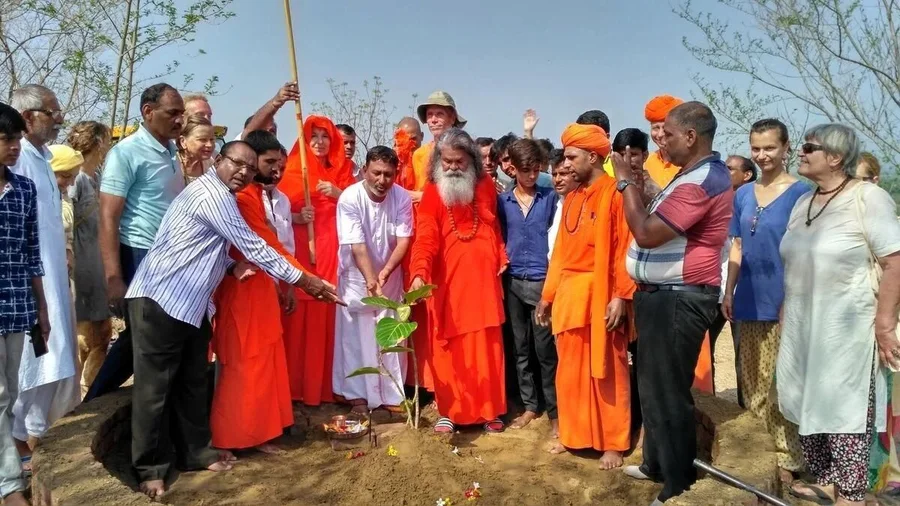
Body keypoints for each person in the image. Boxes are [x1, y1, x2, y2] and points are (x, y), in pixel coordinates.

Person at [126, 141, 342, 499]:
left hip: (191, 303)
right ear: (218, 161)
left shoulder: (225, 195)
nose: (243, 171)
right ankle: (150, 468)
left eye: (248, 167)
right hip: (161, 298)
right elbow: (254, 244)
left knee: (192, 383)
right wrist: (304, 280)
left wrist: (229, 265)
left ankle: (195, 452)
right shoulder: (213, 196)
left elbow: (199, 246)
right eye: (236, 163)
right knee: (154, 391)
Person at [616, 101, 733, 504]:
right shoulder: (689, 175)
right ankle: (656, 464)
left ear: (690, 136)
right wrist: (642, 183)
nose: (660, 137)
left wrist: (624, 183)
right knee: (651, 388)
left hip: (680, 299)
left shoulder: (704, 180)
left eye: (667, 131)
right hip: (660, 297)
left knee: (669, 394)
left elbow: (647, 233)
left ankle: (678, 485)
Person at [778, 124, 900, 506]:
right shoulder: (804, 202)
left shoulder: (868, 198)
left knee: (843, 405)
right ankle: (827, 480)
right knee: (806, 396)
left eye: (809, 147)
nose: (801, 152)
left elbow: (894, 261)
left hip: (847, 327)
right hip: (803, 322)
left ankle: (852, 493)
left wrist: (885, 323)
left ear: (835, 157)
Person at [535, 124, 634, 469]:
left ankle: (613, 442)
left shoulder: (616, 194)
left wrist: (621, 296)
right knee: (570, 371)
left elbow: (625, 249)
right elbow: (560, 252)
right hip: (569, 298)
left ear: (593, 157)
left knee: (608, 371)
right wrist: (547, 296)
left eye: (572, 156)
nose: (567, 163)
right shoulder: (572, 197)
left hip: (603, 295)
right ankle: (573, 435)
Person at [721, 119, 809, 485]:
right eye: (756, 148)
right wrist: (729, 291)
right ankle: (756, 454)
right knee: (751, 382)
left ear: (786, 148)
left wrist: (795, 301)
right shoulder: (743, 194)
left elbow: (805, 253)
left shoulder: (802, 193)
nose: (762, 155)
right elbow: (737, 246)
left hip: (784, 302)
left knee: (779, 384)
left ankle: (789, 457)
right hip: (748, 298)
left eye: (769, 148)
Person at [86, 83, 185, 401]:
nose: (179, 120)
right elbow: (108, 217)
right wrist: (114, 277)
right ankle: (96, 402)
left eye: (182, 114)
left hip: (168, 257)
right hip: (138, 253)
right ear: (148, 111)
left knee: (156, 337)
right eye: (172, 113)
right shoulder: (126, 153)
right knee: (144, 336)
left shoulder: (172, 151)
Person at [408, 128, 508, 433]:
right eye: (447, 161)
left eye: (459, 162)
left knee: (486, 346)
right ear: (438, 160)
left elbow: (494, 227)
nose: (452, 167)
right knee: (448, 348)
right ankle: (449, 412)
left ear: (473, 161)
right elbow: (425, 236)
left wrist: (501, 254)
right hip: (447, 281)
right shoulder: (432, 191)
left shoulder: (486, 185)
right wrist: (418, 273)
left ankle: (490, 411)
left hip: (483, 280)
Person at [210, 133, 297, 455]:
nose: (276, 170)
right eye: (269, 162)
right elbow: (267, 247)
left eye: (281, 164)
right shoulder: (242, 197)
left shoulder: (257, 195)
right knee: (241, 364)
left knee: (264, 362)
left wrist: (284, 285)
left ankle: (258, 434)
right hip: (241, 289)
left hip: (262, 288)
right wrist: (305, 281)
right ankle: (227, 438)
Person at [9, 85, 81, 468]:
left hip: (52, 275)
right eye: (52, 112)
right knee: (36, 361)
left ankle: (34, 439)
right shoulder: (15, 161)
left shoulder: (43, 158)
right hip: (27, 279)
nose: (59, 119)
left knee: (56, 360)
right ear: (27, 117)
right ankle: (20, 445)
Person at [279, 115, 356, 406]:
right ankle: (294, 388)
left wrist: (339, 194)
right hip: (302, 250)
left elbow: (363, 206)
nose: (320, 142)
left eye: (325, 137)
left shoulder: (344, 170)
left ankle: (323, 387)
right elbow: (275, 215)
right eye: (314, 137)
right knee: (299, 317)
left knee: (327, 317)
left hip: (332, 252)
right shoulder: (290, 170)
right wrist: (298, 217)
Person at [333, 146, 413, 411]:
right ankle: (356, 394)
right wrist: (370, 278)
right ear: (365, 171)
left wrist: (386, 271)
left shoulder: (400, 197)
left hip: (389, 276)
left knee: (390, 334)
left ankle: (392, 395)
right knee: (357, 336)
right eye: (376, 173)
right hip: (357, 278)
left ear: (395, 174)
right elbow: (357, 245)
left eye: (388, 175)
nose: (382, 180)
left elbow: (403, 241)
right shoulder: (349, 197)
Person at [0, 102, 48, 506]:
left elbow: (32, 254)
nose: (14, 146)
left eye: (17, 138)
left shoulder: (23, 190)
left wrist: (42, 310)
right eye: (5, 139)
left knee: (8, 393)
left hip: (15, 306)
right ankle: (11, 486)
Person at [497, 139, 559, 435]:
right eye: (526, 170)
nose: (532, 176)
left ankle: (555, 411)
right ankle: (530, 406)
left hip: (541, 281)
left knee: (545, 349)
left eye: (536, 169)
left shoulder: (550, 199)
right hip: (512, 281)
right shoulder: (503, 202)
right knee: (520, 348)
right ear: (514, 171)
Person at [65, 121, 113, 397]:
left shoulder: (97, 176)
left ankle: (91, 390)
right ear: (96, 143)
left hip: (98, 264)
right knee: (86, 337)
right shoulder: (78, 179)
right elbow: (67, 223)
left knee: (102, 333)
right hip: (83, 268)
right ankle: (79, 396)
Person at [412, 91, 467, 196]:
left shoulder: (466, 151)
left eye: (439, 114)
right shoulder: (419, 154)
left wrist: (424, 197)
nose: (433, 120)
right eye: (429, 114)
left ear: (452, 118)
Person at [644, 95, 685, 188]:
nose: (660, 134)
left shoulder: (689, 162)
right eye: (655, 128)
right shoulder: (646, 162)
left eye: (665, 128)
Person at [547, 148, 578, 257]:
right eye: (554, 174)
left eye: (563, 174)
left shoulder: (584, 205)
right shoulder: (556, 204)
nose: (557, 179)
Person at [177, 114, 216, 185]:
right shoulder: (173, 164)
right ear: (183, 141)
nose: (209, 145)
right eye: (202, 140)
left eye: (212, 139)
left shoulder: (210, 166)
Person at [575, 109, 615, 177]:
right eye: (581, 137)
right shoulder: (572, 165)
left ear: (606, 137)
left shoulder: (619, 167)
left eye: (591, 137)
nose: (585, 142)